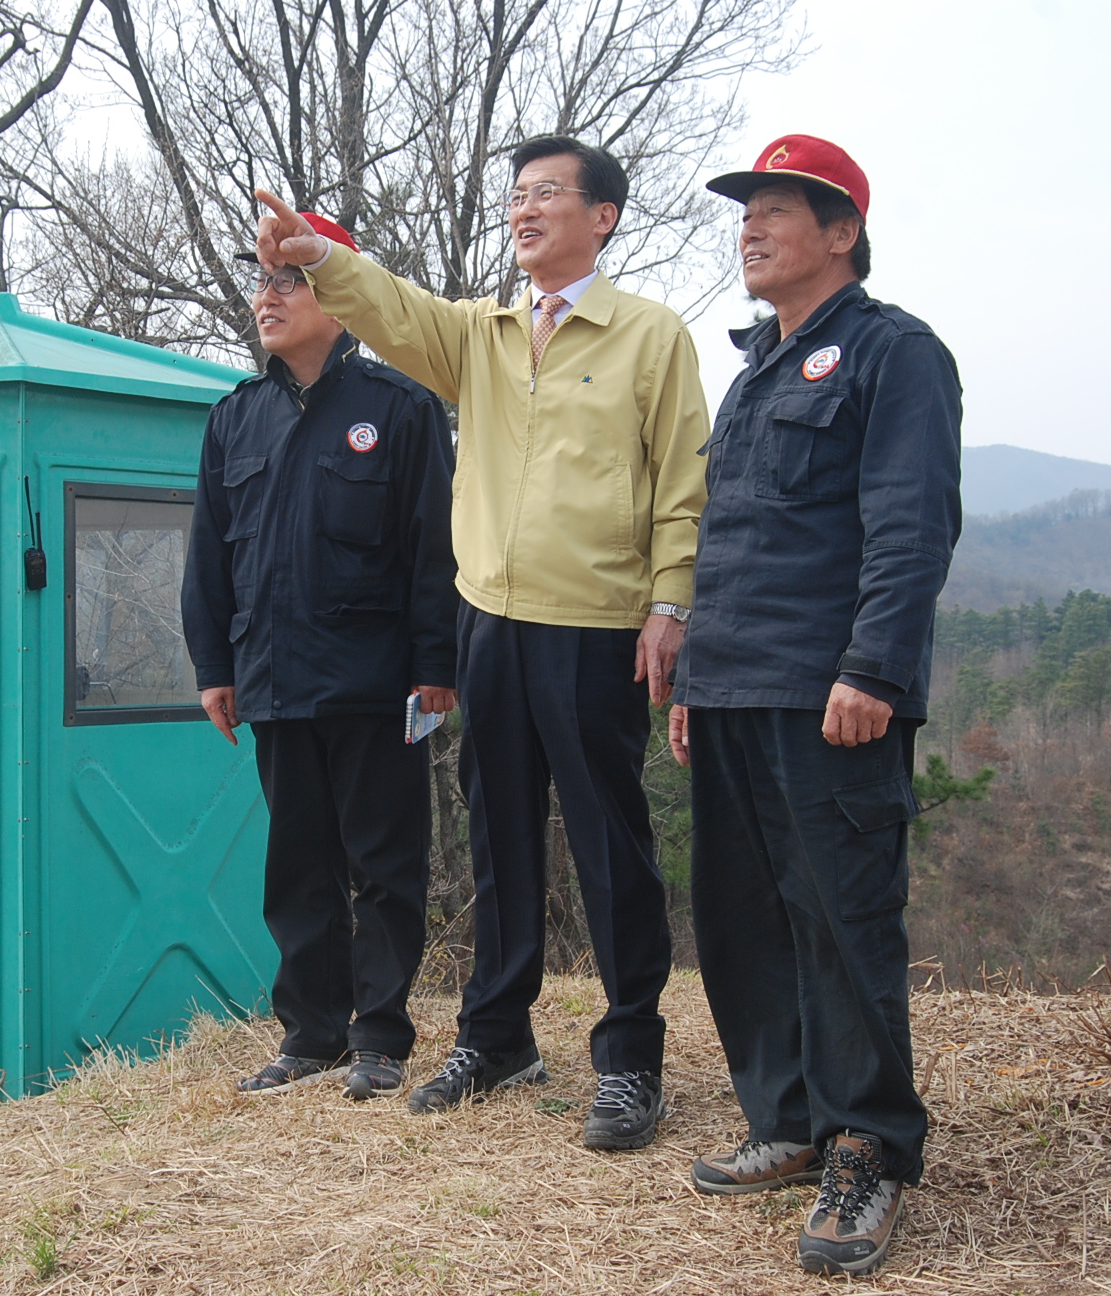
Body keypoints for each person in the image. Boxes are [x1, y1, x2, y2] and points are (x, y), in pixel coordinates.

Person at [255, 135, 708, 1150]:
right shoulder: (482, 334)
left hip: (595, 627)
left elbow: (685, 486)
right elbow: (390, 308)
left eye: (548, 193)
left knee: (607, 847)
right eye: (516, 196)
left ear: (603, 217)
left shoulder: (649, 336)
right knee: (498, 842)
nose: (523, 210)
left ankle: (630, 1057)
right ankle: (495, 1035)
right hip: (489, 626)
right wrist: (316, 255)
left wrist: (670, 603)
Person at [666, 135, 961, 1276]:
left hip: (828, 694)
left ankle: (869, 1149)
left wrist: (875, 670)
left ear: (841, 233)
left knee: (844, 925)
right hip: (733, 691)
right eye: (744, 212)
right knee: (744, 925)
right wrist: (694, 679)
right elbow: (725, 547)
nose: (749, 228)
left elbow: (910, 523)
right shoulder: (752, 374)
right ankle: (785, 1120)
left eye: (775, 210)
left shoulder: (894, 355)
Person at [182, 212, 459, 1102]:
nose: (268, 295)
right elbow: (210, 554)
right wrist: (212, 667)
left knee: (385, 865)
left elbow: (432, 550)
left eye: (290, 279)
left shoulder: (401, 408)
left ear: (338, 292)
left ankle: (379, 1037)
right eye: (261, 279)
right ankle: (311, 1035)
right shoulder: (236, 418)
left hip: (378, 685)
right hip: (273, 680)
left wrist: (436, 666)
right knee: (296, 866)